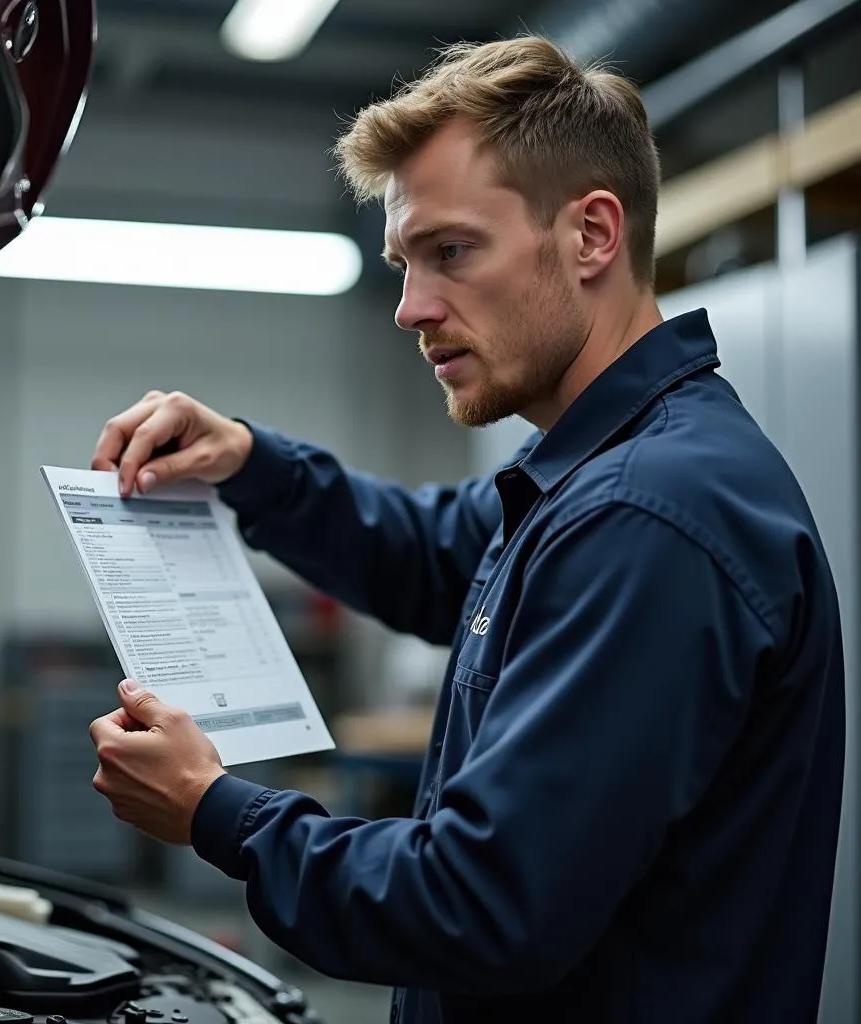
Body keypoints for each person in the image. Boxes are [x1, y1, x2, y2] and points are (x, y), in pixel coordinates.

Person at [87, 34, 846, 1024]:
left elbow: (482, 902)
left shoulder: (644, 512)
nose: (409, 308)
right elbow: (432, 552)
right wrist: (250, 461)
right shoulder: (595, 475)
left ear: (591, 235)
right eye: (403, 262)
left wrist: (217, 810)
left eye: (449, 251)